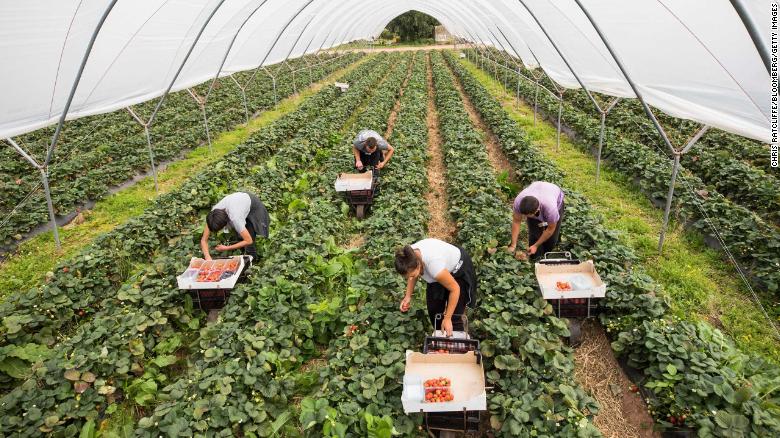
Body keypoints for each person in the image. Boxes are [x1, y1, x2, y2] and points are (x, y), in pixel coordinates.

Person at [395, 238, 478, 336]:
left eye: (412, 275)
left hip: (458, 270)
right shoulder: (408, 256)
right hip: (439, 268)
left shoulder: (434, 265)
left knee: (453, 317)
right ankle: (441, 338)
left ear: (418, 265)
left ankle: (455, 339)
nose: (410, 278)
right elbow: (411, 275)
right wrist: (407, 296)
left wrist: (447, 318)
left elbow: (455, 289)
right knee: (435, 312)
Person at [200, 192, 269, 260]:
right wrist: (207, 257)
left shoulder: (235, 218)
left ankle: (252, 261)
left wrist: (226, 248)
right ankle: (242, 248)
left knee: (249, 242)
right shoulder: (213, 215)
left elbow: (248, 241)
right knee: (240, 235)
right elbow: (204, 240)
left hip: (253, 206)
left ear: (226, 222)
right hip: (238, 203)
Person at [507, 181, 565, 260]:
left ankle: (545, 257)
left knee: (551, 239)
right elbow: (516, 221)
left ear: (536, 210)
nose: (525, 218)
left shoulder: (551, 209)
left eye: (528, 216)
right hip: (537, 188)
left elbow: (550, 229)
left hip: (553, 193)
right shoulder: (518, 202)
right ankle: (535, 259)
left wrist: (536, 245)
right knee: (534, 234)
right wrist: (513, 245)